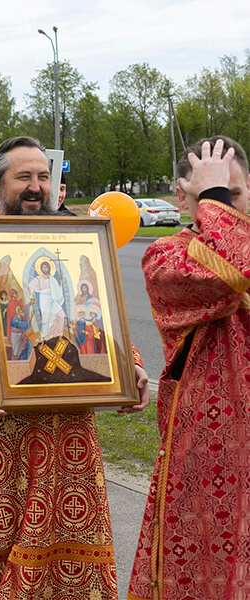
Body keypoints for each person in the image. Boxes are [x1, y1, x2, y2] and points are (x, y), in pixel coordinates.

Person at [0, 136, 150, 599]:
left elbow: (99, 316)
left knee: (64, 541)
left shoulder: (78, 239)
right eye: (23, 177)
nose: (35, 187)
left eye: (43, 177)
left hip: (66, 431)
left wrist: (131, 366)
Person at [129, 136, 250, 600]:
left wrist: (213, 197)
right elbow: (225, 274)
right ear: (183, 197)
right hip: (210, 450)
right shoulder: (165, 256)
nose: (227, 207)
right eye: (211, 196)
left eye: (234, 195)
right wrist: (215, 200)